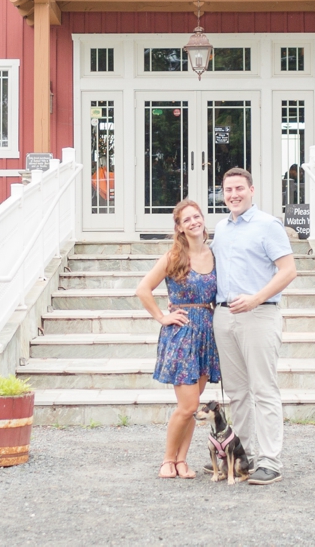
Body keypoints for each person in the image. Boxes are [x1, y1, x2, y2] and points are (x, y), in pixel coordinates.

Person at [210, 167, 297, 485]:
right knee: (236, 392)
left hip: (259, 315)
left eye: (238, 189)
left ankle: (270, 460)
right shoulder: (221, 228)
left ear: (252, 190)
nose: (233, 194)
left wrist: (256, 299)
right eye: (227, 189)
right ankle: (241, 456)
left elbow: (288, 271)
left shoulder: (267, 225)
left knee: (263, 388)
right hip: (225, 316)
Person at [135, 198, 220, 479]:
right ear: (180, 227)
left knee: (195, 404)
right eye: (187, 220)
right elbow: (143, 289)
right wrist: (162, 316)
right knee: (188, 406)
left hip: (207, 332)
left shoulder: (215, 254)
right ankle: (167, 460)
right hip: (182, 334)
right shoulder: (174, 257)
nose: (194, 222)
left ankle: (182, 461)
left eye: (197, 216)